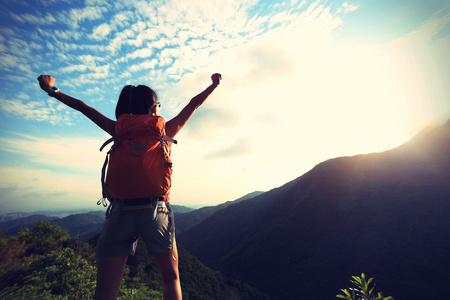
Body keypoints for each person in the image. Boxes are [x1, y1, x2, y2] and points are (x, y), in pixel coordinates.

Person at [37, 73, 222, 300]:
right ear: (154, 109)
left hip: (120, 213)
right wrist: (212, 85)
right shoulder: (164, 132)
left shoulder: (118, 129)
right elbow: (194, 104)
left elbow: (84, 108)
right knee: (171, 278)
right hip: (156, 212)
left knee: (105, 291)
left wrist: (52, 90)